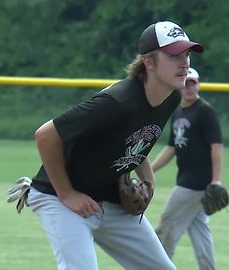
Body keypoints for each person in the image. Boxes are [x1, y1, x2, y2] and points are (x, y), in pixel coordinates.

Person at [26, 21, 203, 270]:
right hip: (60, 198)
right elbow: (45, 136)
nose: (184, 63)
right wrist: (67, 193)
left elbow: (136, 137)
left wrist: (148, 181)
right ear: (149, 62)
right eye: (174, 55)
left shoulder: (171, 96)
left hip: (110, 198)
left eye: (186, 54)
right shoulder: (116, 102)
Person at [151, 67, 224, 270]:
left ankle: (158, 266)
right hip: (187, 178)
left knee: (167, 224)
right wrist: (149, 170)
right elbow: (171, 147)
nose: (190, 87)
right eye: (186, 83)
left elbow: (217, 146)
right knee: (199, 228)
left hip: (195, 182)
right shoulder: (179, 112)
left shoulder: (205, 111)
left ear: (198, 85)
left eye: (193, 83)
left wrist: (216, 180)